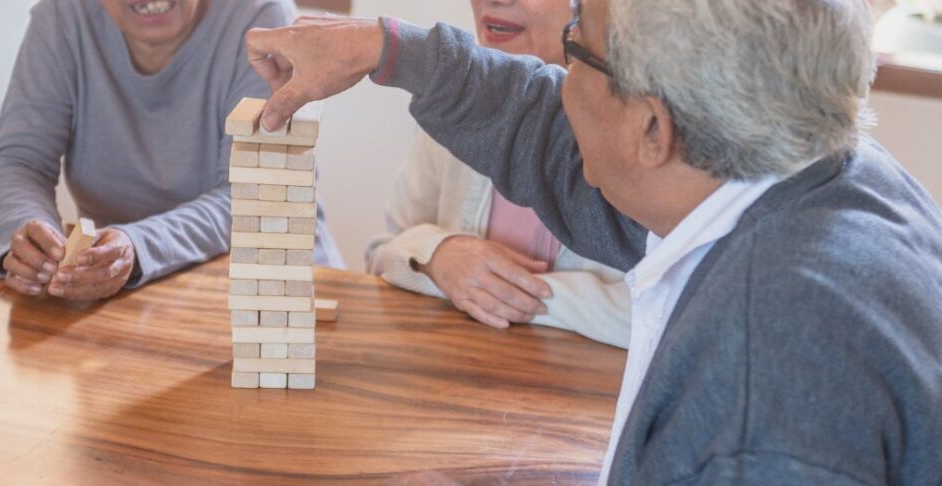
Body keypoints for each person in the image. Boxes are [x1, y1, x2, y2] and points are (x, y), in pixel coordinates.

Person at [243, 0, 942, 484]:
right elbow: (544, 136)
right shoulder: (804, 172)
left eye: (576, 47)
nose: (556, 78)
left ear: (652, 131)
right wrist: (388, 49)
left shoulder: (765, 380)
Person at [0, 0, 344, 302]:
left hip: (270, 291)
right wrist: (29, 238)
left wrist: (138, 246)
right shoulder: (62, 15)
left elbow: (255, 197)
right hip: (124, 296)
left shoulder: (259, 16)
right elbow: (19, 160)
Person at [366, 0, 629, 346]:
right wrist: (438, 255)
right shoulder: (453, 111)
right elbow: (382, 254)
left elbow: (660, 314)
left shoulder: (640, 130)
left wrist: (494, 289)